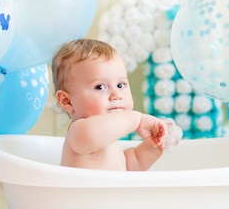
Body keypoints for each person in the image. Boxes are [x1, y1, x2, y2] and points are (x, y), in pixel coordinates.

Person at [51, 38, 181, 171]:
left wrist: (153, 147)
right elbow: (93, 134)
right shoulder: (79, 132)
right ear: (67, 101)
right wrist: (138, 120)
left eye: (120, 85)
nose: (116, 95)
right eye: (100, 87)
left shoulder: (109, 141)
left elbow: (130, 165)